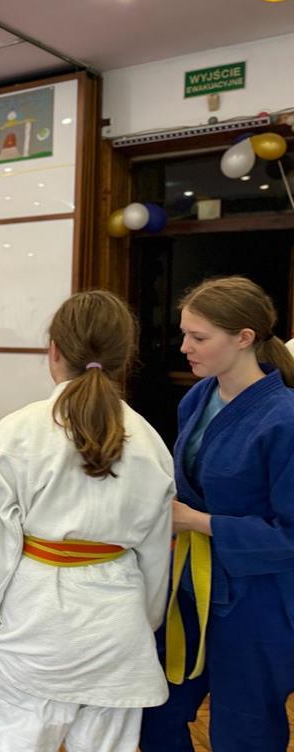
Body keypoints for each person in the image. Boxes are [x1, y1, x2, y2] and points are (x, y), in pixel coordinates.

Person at [0, 290, 175, 752]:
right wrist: (143, 622)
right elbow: (154, 556)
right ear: (124, 357)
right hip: (116, 636)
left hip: (37, 631)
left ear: (54, 351)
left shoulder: (18, 431)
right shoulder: (150, 443)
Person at [140, 276, 294, 752]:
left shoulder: (284, 419)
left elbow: (290, 535)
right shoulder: (198, 397)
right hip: (190, 579)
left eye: (198, 337)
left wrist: (198, 522)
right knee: (155, 708)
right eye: (185, 334)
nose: (184, 347)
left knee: (244, 728)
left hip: (257, 597)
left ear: (244, 338)